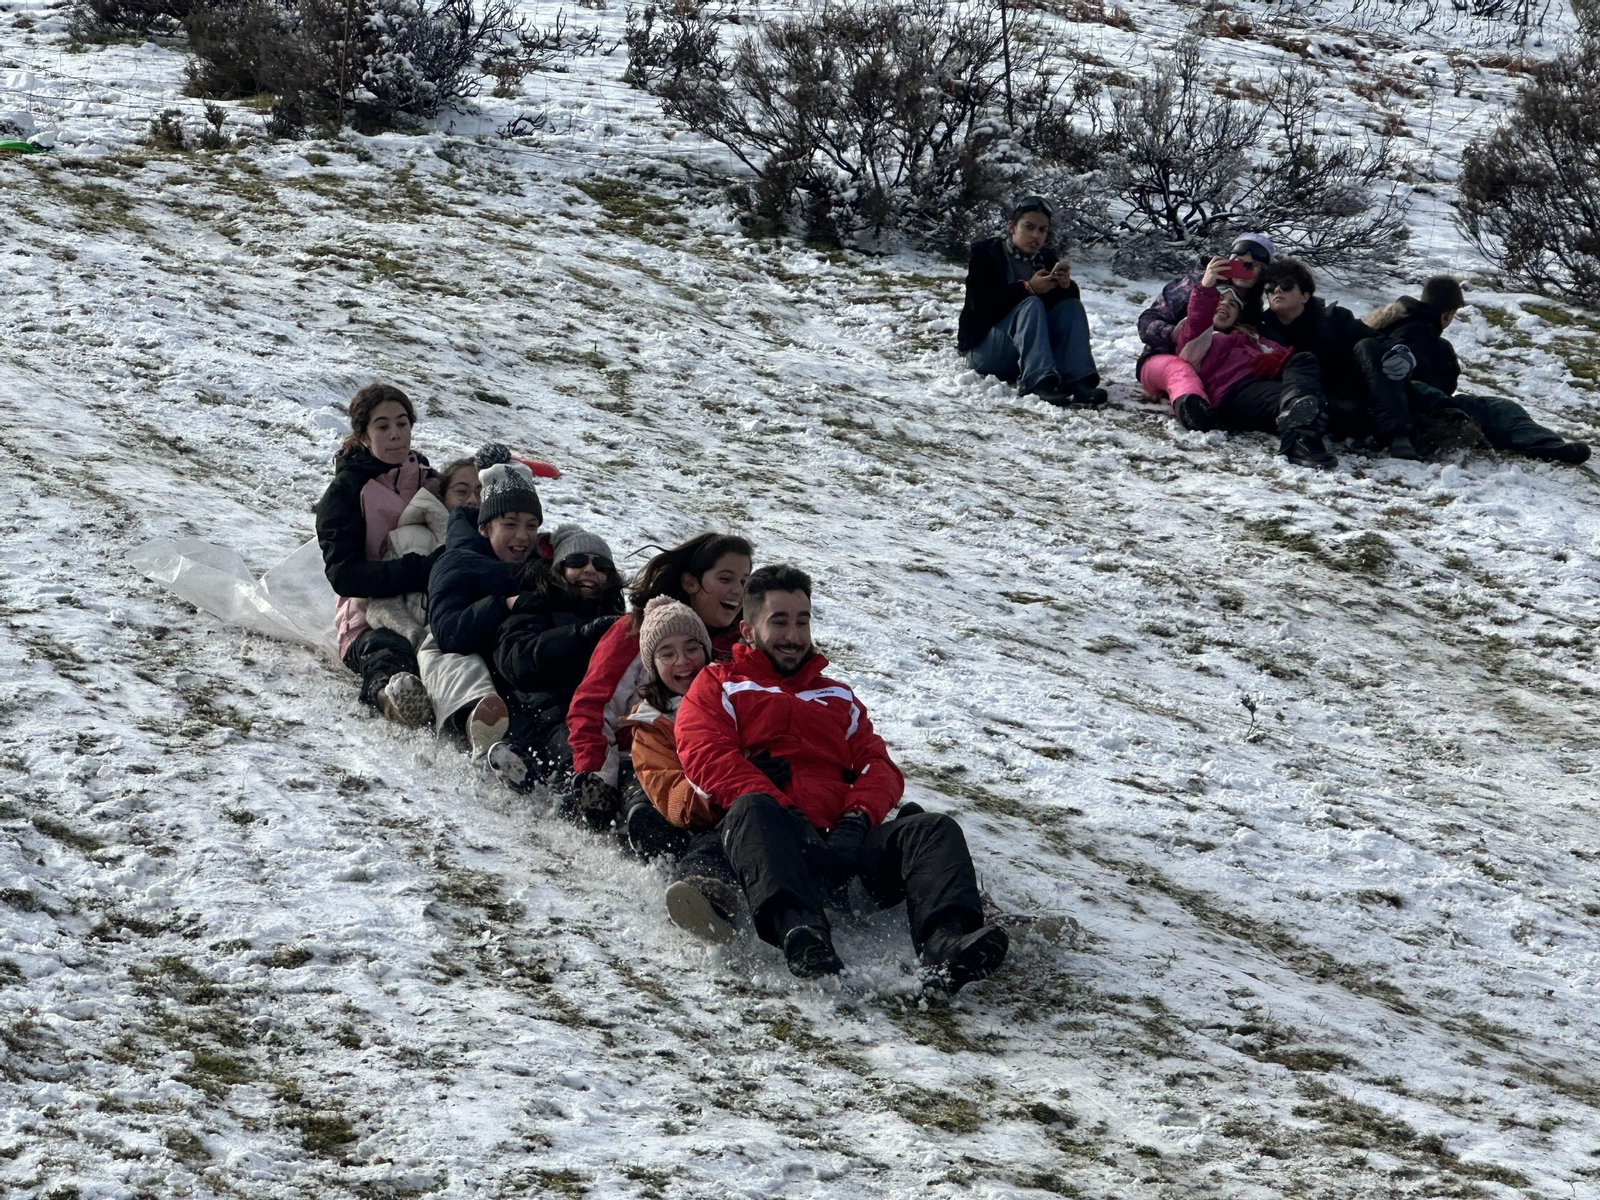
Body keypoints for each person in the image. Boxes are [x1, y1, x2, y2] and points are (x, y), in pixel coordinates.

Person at [675, 565, 1009, 992]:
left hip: (845, 848)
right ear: (748, 630)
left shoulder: (837, 695)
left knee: (932, 829)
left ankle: (945, 943)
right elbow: (708, 757)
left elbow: (879, 765)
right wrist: (785, 809)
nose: (794, 635)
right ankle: (803, 935)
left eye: (802, 621)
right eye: (779, 622)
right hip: (773, 845)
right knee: (752, 808)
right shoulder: (719, 684)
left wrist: (856, 819)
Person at [566, 534, 753, 837]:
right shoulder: (637, 633)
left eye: (744, 581)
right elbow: (594, 706)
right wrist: (597, 775)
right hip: (637, 762)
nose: (737, 590)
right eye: (725, 578)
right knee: (643, 799)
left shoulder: (742, 648)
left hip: (711, 769)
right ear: (691, 582)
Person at [361, 454, 513, 754]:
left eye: (481, 493)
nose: (472, 500)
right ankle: (393, 701)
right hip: (409, 632)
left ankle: (477, 723)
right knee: (383, 648)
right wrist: (415, 635)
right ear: (442, 495)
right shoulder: (409, 537)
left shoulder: (497, 547)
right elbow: (381, 603)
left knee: (465, 661)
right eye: (461, 491)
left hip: (455, 638)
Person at [314, 383, 440, 727]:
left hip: (432, 603)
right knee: (386, 649)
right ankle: (391, 697)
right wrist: (421, 571)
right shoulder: (346, 492)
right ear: (364, 436)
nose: (395, 434)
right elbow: (345, 575)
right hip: (367, 613)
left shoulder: (428, 480)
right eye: (382, 426)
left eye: (402, 423)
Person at [1365, 276, 1591, 465]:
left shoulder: (1400, 327)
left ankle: (1541, 443)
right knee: (1499, 410)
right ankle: (1544, 444)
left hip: (1410, 406)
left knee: (1495, 409)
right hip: (1413, 410)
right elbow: (1411, 383)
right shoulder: (1418, 334)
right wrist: (1454, 412)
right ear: (1447, 314)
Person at [619, 596, 738, 920]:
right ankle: (702, 899)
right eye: (667, 654)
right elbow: (668, 788)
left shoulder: (735, 693)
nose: (683, 661)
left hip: (751, 802)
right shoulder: (650, 723)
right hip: (700, 811)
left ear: (707, 650)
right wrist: (715, 791)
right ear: (653, 666)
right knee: (710, 841)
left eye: (691, 648)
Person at [488, 525, 625, 788]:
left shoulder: (614, 619)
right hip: (547, 714)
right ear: (559, 569)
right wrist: (579, 636)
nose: (590, 570)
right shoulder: (535, 607)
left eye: (601, 566)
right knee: (577, 755)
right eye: (577, 561)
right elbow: (517, 661)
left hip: (601, 716)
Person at [1258, 258, 1421, 458]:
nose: (1276, 291)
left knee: (1368, 346)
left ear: (1305, 295)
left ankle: (1397, 435)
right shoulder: (1263, 331)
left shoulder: (1334, 318)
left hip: (1362, 393)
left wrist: (1400, 352)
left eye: (1285, 285)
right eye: (1270, 288)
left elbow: (1378, 341)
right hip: (1321, 404)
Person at [1172, 274, 1338, 469]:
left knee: (1304, 363)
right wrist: (1206, 290)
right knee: (1296, 403)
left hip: (1267, 385)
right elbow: (1198, 317)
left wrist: (1278, 362)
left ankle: (1307, 412)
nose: (1225, 305)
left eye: (1233, 304)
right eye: (1219, 299)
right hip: (1233, 392)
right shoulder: (1197, 338)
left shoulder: (1251, 337)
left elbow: (1285, 357)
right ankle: (1300, 443)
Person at [957, 195, 1106, 407]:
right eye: (1029, 227)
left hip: (1025, 355)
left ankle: (1077, 381)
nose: (1035, 235)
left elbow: (1057, 313)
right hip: (986, 351)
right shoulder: (986, 256)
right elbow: (982, 309)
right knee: (1031, 304)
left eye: (1042, 230)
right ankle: (1039, 382)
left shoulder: (1045, 259)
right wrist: (1027, 288)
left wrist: (1065, 287)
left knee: (1071, 306)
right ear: (1012, 227)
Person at [1137, 234, 1273, 429]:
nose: (1245, 269)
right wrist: (1171, 333)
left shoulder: (1253, 302)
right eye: (1240, 263)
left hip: (1209, 366)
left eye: (1253, 265)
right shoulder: (1195, 283)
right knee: (1179, 370)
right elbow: (1146, 321)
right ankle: (1192, 411)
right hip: (1164, 356)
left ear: (1262, 271)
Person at [428, 459, 549, 675]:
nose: (523, 536)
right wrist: (505, 604)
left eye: (531, 526)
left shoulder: (540, 565)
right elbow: (447, 632)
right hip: (475, 670)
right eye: (510, 524)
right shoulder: (457, 562)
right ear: (484, 529)